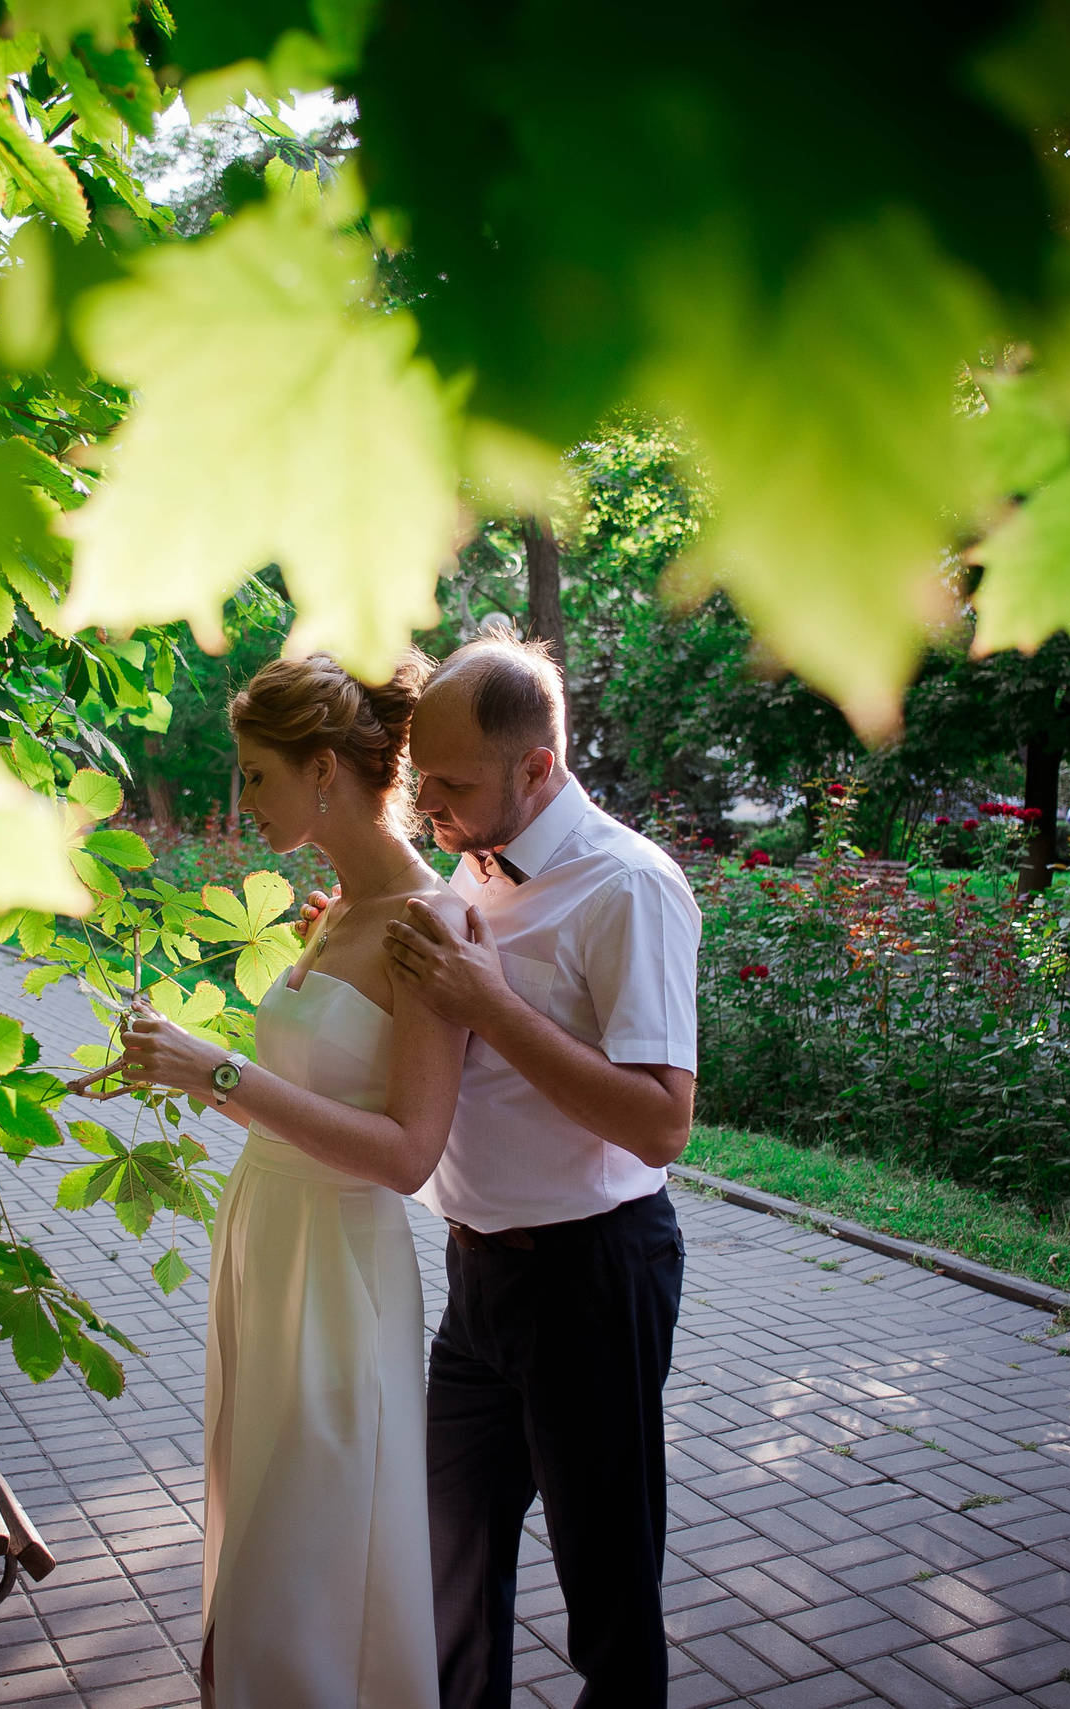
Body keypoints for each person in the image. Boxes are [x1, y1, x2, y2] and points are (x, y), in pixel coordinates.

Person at [115, 650, 464, 1709]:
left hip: (340, 1270)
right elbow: (297, 1098)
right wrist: (184, 1067)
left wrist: (218, 1069)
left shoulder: (426, 922)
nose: (244, 795)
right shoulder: (339, 907)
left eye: (257, 773)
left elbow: (407, 1153)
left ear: (322, 770)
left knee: (310, 1561)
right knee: (253, 1537)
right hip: (265, 1242)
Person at [384, 628, 701, 1709]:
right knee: (449, 1568)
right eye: (418, 776)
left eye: (452, 782)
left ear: (537, 765)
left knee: (606, 1584)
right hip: (476, 1281)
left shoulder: (629, 886)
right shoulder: (472, 860)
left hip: (591, 1280)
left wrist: (492, 1004)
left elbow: (662, 1125)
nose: (426, 802)